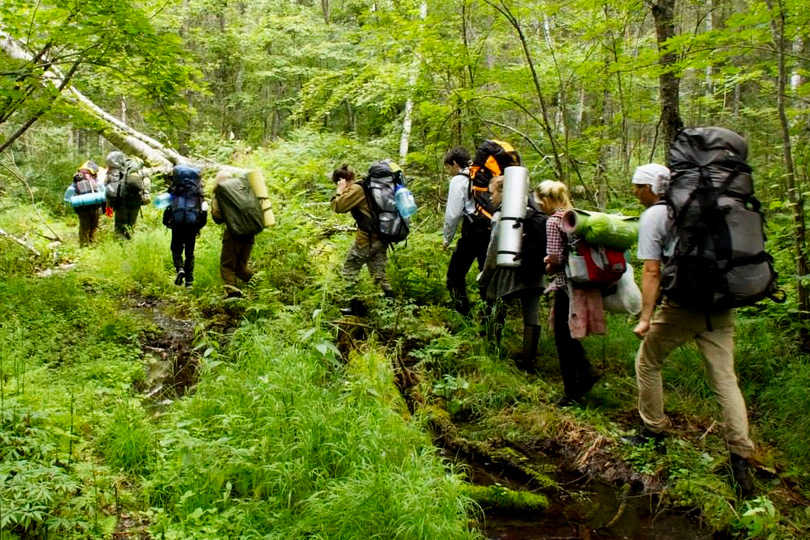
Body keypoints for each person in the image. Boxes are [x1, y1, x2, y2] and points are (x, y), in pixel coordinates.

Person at [631, 163, 755, 495]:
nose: (634, 192)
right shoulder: (712, 208)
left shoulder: (655, 216)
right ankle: (740, 459)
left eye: (636, 186)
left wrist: (645, 317)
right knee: (725, 379)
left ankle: (653, 431)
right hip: (721, 303)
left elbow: (652, 271)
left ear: (649, 189)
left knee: (648, 361)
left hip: (683, 305)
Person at [540, 180, 601, 406]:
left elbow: (556, 260)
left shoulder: (554, 221)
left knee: (562, 338)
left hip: (566, 284)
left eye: (540, 201)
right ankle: (586, 373)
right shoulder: (575, 217)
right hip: (584, 281)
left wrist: (547, 266)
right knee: (569, 334)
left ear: (546, 200)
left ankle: (571, 391)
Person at [478, 176, 546, 372]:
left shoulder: (501, 216)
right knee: (531, 316)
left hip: (509, 273)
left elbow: (493, 251)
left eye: (493, 193)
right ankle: (529, 361)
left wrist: (485, 277)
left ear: (504, 193)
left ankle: (492, 353)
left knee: (496, 309)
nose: (490, 198)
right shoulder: (534, 212)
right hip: (534, 272)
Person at [330, 164, 393, 316]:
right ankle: (392, 309)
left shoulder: (357, 189)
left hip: (366, 241)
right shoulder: (368, 187)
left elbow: (338, 206)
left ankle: (355, 308)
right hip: (381, 238)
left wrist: (339, 192)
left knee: (348, 272)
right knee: (379, 276)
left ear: (343, 180)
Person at [443, 147, 488, 316]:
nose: (449, 172)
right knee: (487, 278)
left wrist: (447, 239)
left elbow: (453, 214)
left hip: (472, 235)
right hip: (493, 233)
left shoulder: (459, 180)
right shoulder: (485, 175)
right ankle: (489, 325)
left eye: (449, 167)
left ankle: (464, 317)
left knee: (454, 277)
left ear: (455, 163)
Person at [211, 170, 257, 298]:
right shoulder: (242, 190)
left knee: (227, 266)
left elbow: (218, 218)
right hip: (250, 233)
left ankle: (232, 295)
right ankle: (260, 286)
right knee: (241, 267)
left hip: (233, 234)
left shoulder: (221, 194)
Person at [163, 165, 206, 287]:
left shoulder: (175, 187)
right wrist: (199, 225)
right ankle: (189, 282)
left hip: (177, 222)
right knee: (189, 251)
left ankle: (180, 268)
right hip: (192, 223)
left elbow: (168, 207)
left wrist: (166, 221)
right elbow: (204, 209)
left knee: (176, 249)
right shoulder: (198, 189)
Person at [105, 151, 149, 239]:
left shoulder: (119, 171)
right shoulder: (141, 172)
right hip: (136, 203)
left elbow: (109, 191)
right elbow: (146, 186)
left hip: (122, 203)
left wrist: (108, 211)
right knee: (131, 225)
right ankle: (130, 242)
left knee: (119, 226)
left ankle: (120, 245)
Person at [70, 161, 102, 246]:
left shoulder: (76, 182)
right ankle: (93, 244)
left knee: (84, 227)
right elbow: (103, 191)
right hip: (95, 206)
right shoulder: (95, 180)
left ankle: (83, 245)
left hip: (81, 207)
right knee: (94, 226)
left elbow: (68, 195)